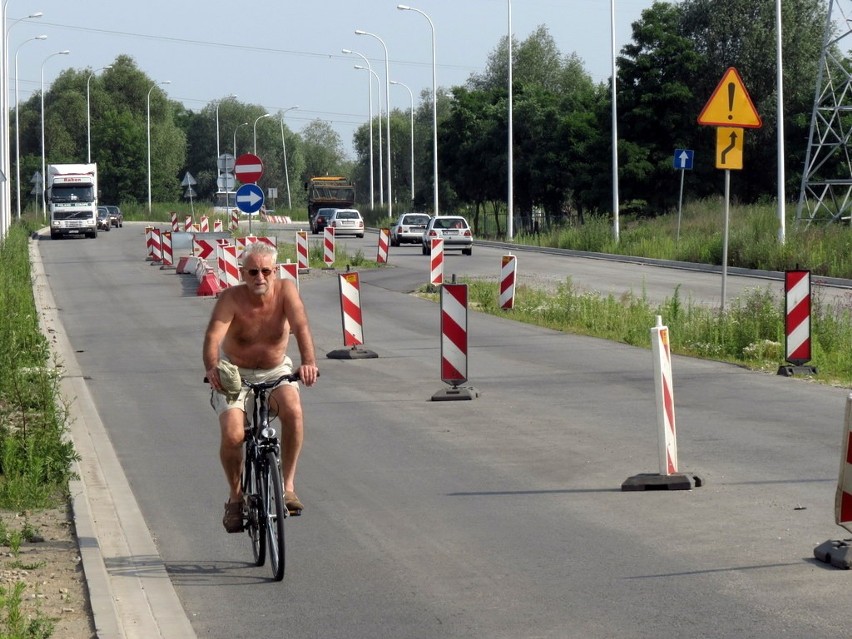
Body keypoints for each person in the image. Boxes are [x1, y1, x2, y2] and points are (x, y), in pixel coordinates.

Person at [203, 242, 319, 533]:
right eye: (253, 271)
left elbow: (301, 326)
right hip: (235, 373)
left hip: (275, 368)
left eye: (266, 271)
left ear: (275, 271)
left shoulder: (287, 291)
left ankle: (288, 486)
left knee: (293, 411)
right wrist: (212, 366)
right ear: (242, 272)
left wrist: (308, 362)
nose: (260, 277)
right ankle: (236, 497)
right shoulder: (230, 298)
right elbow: (213, 336)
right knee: (233, 434)